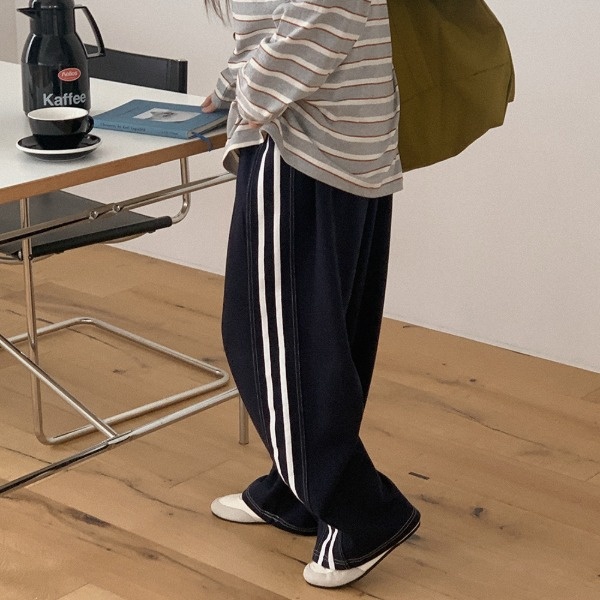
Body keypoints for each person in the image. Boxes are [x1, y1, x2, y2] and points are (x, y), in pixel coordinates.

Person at [201, 0, 420, 588]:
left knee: (266, 336)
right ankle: (300, 487)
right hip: (347, 138)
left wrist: (249, 96)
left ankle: (361, 512)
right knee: (325, 335)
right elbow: (275, 21)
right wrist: (229, 86)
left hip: (300, 141)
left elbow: (322, 12)